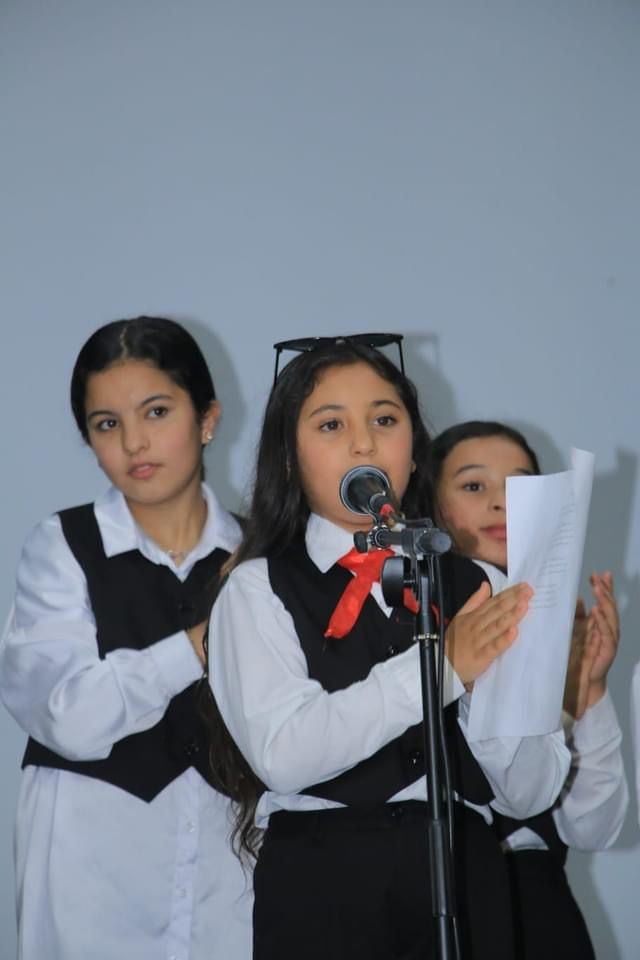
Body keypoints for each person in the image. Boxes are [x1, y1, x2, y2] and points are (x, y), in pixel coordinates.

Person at [208, 337, 571, 960]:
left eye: (384, 420)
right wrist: (442, 667)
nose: (364, 444)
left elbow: (529, 793)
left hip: (466, 873)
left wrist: (488, 695)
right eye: (331, 425)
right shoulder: (255, 587)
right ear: (289, 458)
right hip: (324, 882)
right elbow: (284, 755)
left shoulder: (481, 584)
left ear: (414, 446)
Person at [0, 317, 252, 960]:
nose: (134, 442)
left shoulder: (260, 556)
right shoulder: (61, 545)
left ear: (208, 418)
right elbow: (69, 716)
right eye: (106, 424)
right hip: (89, 865)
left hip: (231, 870)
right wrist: (196, 645)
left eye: (157, 412)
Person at [428, 419, 628, 960]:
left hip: (541, 909)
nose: (501, 503)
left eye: (520, 487)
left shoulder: (556, 630)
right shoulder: (412, 625)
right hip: (444, 903)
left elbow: (594, 829)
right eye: (474, 486)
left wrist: (587, 690)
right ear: (431, 508)